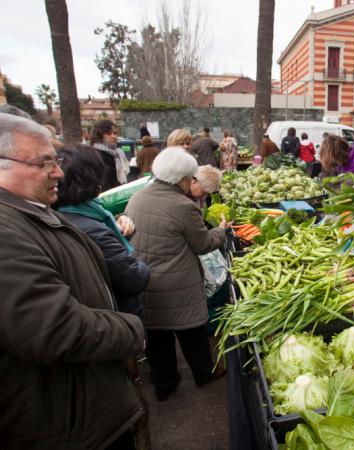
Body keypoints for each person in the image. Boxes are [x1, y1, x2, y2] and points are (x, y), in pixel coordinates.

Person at [0, 113, 145, 448]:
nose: (58, 173)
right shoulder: (7, 231)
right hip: (68, 425)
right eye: (44, 163)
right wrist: (132, 331)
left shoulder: (32, 213)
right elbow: (54, 328)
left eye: (56, 160)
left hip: (80, 410)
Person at [125, 147, 230, 401]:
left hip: (146, 280)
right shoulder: (184, 206)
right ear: (183, 178)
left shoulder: (137, 197)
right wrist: (222, 229)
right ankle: (205, 374)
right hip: (178, 282)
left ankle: (165, 385)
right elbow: (203, 244)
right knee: (192, 333)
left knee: (158, 338)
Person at [54, 144, 150, 318]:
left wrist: (120, 232)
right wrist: (139, 261)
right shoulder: (95, 231)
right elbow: (134, 278)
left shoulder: (61, 214)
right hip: (116, 318)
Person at [91, 119, 130, 191]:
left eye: (115, 133)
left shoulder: (117, 153)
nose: (113, 136)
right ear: (99, 136)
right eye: (109, 134)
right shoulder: (95, 154)